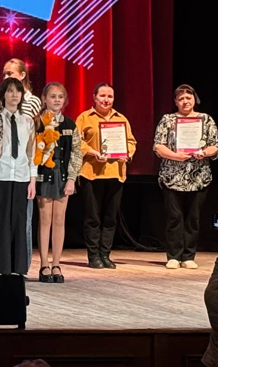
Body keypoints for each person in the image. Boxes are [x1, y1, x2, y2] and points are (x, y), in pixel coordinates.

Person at [152, 85, 218, 269]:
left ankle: (188, 256)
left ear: (194, 99)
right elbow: (158, 145)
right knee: (174, 217)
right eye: (181, 98)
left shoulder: (205, 119)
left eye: (188, 97)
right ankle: (173, 256)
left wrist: (204, 152)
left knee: (193, 218)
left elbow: (216, 145)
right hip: (172, 177)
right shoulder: (168, 120)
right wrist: (175, 156)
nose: (185, 101)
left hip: (199, 177)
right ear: (175, 102)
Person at [76, 83, 137, 269]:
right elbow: (77, 141)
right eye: (102, 96)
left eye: (109, 96)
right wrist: (93, 152)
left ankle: (105, 254)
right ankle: (93, 255)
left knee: (110, 218)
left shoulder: (121, 119)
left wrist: (128, 153)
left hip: (115, 173)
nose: (106, 100)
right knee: (93, 218)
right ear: (94, 97)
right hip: (91, 174)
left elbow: (131, 142)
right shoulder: (84, 117)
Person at [0, 77, 36, 276]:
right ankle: (1, 267)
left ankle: (19, 268)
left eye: (18, 91)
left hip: (21, 175)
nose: (14, 95)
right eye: (10, 91)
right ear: (3, 95)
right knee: (1, 222)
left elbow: (32, 153)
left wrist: (32, 179)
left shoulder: (27, 121)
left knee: (19, 222)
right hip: (1, 174)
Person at [33, 82, 82, 283]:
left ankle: (56, 264)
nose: (56, 100)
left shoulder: (70, 125)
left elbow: (76, 153)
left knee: (59, 219)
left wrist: (71, 179)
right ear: (44, 99)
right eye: (52, 96)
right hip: (44, 174)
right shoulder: (37, 123)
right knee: (45, 219)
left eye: (60, 97)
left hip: (62, 175)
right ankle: (44, 264)